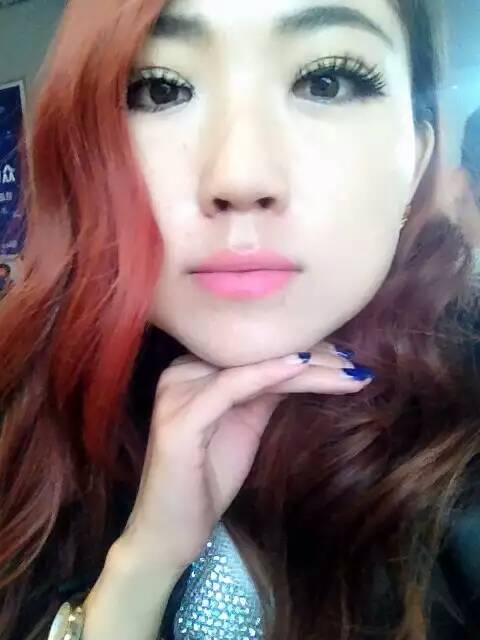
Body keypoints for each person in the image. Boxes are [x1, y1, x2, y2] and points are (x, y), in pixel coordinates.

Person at [1, 1, 480, 639]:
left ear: (416, 163)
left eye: (326, 81)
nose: (240, 175)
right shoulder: (25, 422)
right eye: (160, 89)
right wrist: (139, 569)